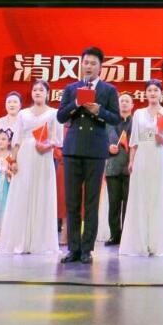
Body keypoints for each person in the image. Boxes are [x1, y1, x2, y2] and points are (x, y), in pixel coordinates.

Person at [57, 47, 121, 264]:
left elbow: (116, 118)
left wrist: (98, 111)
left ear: (100, 67)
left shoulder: (108, 90)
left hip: (95, 150)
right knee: (72, 201)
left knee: (91, 202)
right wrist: (76, 103)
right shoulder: (71, 88)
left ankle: (87, 249)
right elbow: (60, 116)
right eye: (86, 63)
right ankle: (73, 248)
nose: (89, 66)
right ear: (81, 64)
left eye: (93, 63)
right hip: (73, 149)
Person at [0, 79, 62, 255]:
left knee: (41, 194)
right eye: (35, 90)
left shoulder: (54, 113)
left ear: (47, 93)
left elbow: (58, 140)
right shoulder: (23, 114)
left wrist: (47, 146)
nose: (38, 93)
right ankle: (20, 240)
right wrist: (14, 160)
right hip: (25, 156)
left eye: (41, 90)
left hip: (43, 157)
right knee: (22, 194)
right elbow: (17, 140)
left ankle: (40, 242)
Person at [119, 79, 163, 257]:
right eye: (149, 90)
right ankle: (141, 243)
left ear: (161, 93)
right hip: (142, 156)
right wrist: (131, 161)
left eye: (156, 90)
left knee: (158, 197)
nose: (152, 93)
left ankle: (158, 243)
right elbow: (134, 141)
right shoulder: (138, 113)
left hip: (159, 156)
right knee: (142, 197)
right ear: (145, 94)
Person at [104, 93, 134, 246]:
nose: (124, 103)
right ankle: (114, 235)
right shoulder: (109, 122)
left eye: (127, 101)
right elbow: (101, 140)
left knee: (129, 204)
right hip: (113, 166)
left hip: (131, 168)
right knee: (114, 204)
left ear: (132, 105)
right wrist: (108, 147)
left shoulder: (137, 122)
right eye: (121, 101)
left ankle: (127, 236)